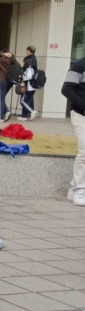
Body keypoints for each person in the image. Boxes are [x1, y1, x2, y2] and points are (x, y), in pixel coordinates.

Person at [63, 57, 85, 206]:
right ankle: (80, 190)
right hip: (80, 114)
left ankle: (73, 188)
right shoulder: (80, 65)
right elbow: (66, 89)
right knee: (84, 153)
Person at [0, 50, 20, 121]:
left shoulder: (3, 60)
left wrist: (2, 54)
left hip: (2, 79)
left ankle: (0, 116)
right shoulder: (14, 60)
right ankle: (6, 111)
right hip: (10, 81)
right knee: (1, 97)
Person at [19, 45, 38, 121]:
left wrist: (22, 78)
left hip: (29, 86)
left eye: (27, 50)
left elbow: (28, 77)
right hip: (33, 86)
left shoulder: (29, 68)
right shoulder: (34, 61)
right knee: (29, 100)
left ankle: (30, 112)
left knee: (23, 100)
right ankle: (26, 115)